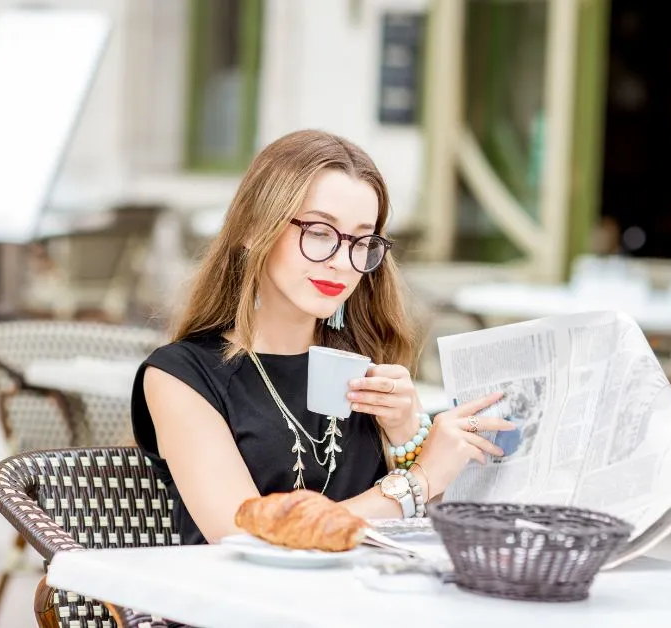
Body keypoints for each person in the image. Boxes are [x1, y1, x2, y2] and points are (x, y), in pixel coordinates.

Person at [130, 129, 513, 545]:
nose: (341, 263)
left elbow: (426, 532)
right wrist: (417, 481)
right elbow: (240, 539)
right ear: (256, 230)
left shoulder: (362, 365)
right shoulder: (180, 376)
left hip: (363, 601)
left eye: (361, 241)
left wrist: (408, 433)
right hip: (239, 606)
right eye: (318, 232)